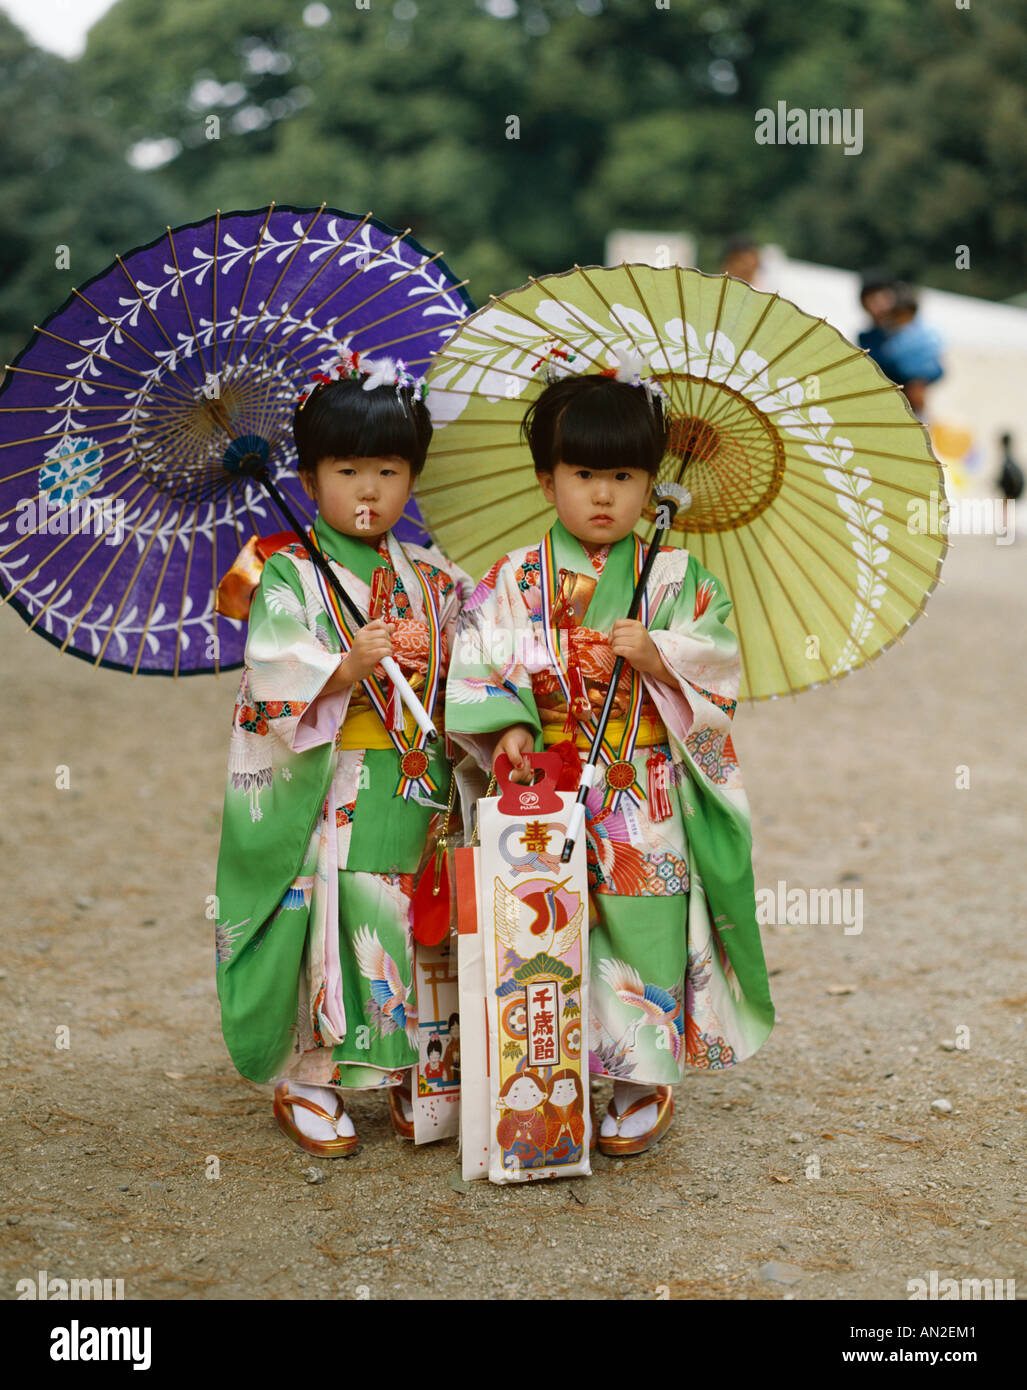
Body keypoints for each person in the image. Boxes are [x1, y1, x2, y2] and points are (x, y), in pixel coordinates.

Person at [444, 367, 775, 1157]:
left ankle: (638, 1075)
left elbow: (719, 667)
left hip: (641, 788)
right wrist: (512, 728)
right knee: (546, 925)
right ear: (545, 478)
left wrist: (658, 654)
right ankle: (555, 1076)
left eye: (623, 477)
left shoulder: (675, 578)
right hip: (547, 784)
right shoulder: (516, 580)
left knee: (641, 922)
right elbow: (484, 660)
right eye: (583, 474)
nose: (603, 496)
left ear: (650, 483)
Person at [214, 350, 470, 1157]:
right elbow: (272, 682)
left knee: (421, 921)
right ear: (310, 474)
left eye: (389, 470)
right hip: (337, 780)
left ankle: (408, 1073)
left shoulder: (431, 573)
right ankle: (312, 1075)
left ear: (413, 476)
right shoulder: (285, 572)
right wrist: (342, 668)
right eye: (347, 468)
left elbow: (481, 660)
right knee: (346, 917)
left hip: (416, 778)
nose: (368, 490)